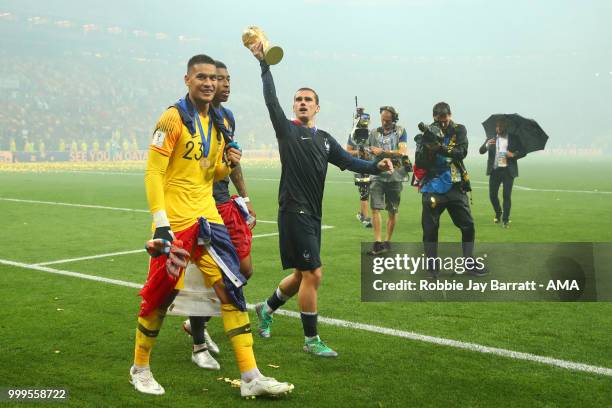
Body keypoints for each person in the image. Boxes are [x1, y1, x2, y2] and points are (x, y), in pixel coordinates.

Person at [130, 54, 293, 398]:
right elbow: (154, 172)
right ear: (187, 80)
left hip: (209, 218)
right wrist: (160, 224)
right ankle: (140, 368)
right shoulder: (172, 119)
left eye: (212, 78)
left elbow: (209, 172)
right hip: (175, 224)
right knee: (159, 297)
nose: (208, 83)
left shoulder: (217, 120)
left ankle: (251, 377)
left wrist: (226, 165)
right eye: (201, 77)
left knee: (232, 292)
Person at [247, 42, 393, 357]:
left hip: (312, 214)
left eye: (307, 100)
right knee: (314, 274)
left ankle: (267, 309)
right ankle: (311, 340)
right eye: (298, 99)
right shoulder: (286, 130)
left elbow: (350, 162)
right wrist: (264, 65)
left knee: (302, 274)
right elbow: (271, 101)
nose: (302, 103)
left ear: (317, 107)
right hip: (293, 211)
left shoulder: (325, 139)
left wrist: (375, 166)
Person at [182, 60, 257, 369]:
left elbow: (232, 161)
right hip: (199, 206)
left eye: (227, 79)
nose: (224, 84)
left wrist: (246, 197)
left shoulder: (226, 117)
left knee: (243, 269)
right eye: (217, 78)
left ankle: (196, 325)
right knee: (209, 276)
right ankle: (198, 340)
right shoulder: (189, 117)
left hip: (225, 202)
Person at [414, 102, 486, 277]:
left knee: (468, 225)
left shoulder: (459, 130)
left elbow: (461, 152)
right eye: (440, 120)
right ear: (434, 117)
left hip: (455, 184)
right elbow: (421, 162)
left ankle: (469, 262)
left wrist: (440, 148)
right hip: (431, 185)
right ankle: (432, 268)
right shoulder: (426, 133)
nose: (444, 123)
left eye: (446, 119)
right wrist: (427, 149)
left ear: (450, 115)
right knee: (430, 230)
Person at [367, 106, 408, 255]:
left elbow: (402, 152)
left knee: (392, 210)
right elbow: (369, 151)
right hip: (378, 175)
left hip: (395, 176)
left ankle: (387, 241)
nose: (385, 122)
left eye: (388, 120)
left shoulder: (401, 131)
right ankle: (378, 242)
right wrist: (368, 152)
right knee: (375, 208)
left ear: (394, 119)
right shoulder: (374, 133)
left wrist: (382, 152)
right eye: (383, 119)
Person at [479, 119, 525, 228]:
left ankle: (505, 220)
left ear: (505, 127)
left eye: (500, 127)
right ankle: (498, 212)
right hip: (495, 170)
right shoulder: (491, 138)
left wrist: (513, 155)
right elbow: (481, 151)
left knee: (506, 196)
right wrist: (486, 145)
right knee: (492, 195)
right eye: (497, 127)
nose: (498, 129)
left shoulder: (514, 138)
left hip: (508, 171)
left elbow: (523, 151)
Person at [346, 132, 372, 228]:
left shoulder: (371, 134)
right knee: (364, 192)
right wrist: (358, 152)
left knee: (367, 192)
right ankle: (365, 219)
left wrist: (368, 152)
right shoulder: (352, 135)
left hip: (371, 166)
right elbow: (347, 151)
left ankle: (361, 214)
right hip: (359, 167)